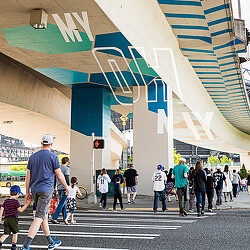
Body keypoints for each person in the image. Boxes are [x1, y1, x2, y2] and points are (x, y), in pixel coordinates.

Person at [19, 134, 68, 250]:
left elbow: (28, 176)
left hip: (35, 190)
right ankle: (26, 246)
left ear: (41, 143)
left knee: (44, 216)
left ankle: (51, 242)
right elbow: (59, 175)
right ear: (51, 144)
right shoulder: (53, 157)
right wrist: (66, 186)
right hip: (46, 190)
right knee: (39, 217)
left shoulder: (32, 157)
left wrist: (27, 192)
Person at [0, 186, 31, 250]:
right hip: (13, 219)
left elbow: (1, 210)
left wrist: (0, 220)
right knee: (15, 233)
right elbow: (21, 210)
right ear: (17, 194)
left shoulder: (6, 201)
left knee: (6, 234)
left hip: (6, 219)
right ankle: (13, 247)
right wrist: (27, 204)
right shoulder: (15, 201)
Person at [51, 157, 70, 224]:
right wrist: (68, 186)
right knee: (61, 203)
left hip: (59, 188)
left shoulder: (58, 169)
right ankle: (54, 217)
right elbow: (67, 177)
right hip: (64, 188)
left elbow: (55, 179)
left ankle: (65, 218)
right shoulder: (66, 169)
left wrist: (54, 187)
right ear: (67, 162)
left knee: (63, 203)